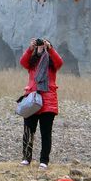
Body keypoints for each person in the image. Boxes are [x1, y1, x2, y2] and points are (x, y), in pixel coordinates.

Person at [18, 37, 63, 169]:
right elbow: (23, 62)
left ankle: (44, 161)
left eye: (43, 45)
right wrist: (30, 48)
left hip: (48, 101)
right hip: (32, 99)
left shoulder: (52, 63)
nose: (41, 47)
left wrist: (50, 48)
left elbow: (59, 62)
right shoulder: (32, 62)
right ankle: (26, 158)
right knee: (28, 130)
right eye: (39, 45)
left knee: (46, 132)